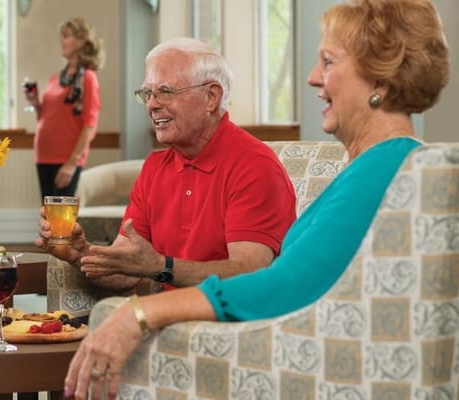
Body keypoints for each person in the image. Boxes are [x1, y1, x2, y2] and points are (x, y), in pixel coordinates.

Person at [61, 0, 449, 398]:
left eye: (329, 62)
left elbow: (280, 286)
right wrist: (89, 258)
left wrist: (138, 315)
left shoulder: (386, 168)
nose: (313, 78)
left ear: (380, 83)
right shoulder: (387, 164)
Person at [37, 38, 296, 294]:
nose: (152, 104)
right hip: (165, 313)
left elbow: (249, 274)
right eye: (148, 93)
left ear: (211, 96)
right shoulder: (154, 167)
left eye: (166, 91)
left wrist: (162, 267)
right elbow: (125, 272)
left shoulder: (254, 166)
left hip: (228, 316)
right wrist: (81, 254)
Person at [25, 18, 103, 199]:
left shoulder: (88, 78)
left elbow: (89, 125)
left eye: (66, 36)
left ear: (82, 40)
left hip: (65, 159)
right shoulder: (55, 78)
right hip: (43, 156)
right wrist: (35, 103)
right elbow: (46, 117)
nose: (61, 41)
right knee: (47, 214)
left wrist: (71, 163)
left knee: (60, 215)